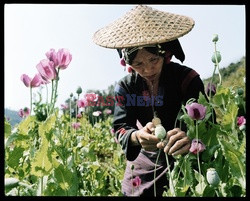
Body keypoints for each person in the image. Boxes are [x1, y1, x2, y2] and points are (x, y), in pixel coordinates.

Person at [93, 5, 206, 196]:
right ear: (128, 64)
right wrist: (137, 137)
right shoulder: (126, 87)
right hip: (143, 163)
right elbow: (120, 128)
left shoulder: (188, 79)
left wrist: (189, 137)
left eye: (153, 59)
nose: (147, 69)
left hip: (186, 160)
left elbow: (207, 124)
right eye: (138, 64)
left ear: (165, 53)